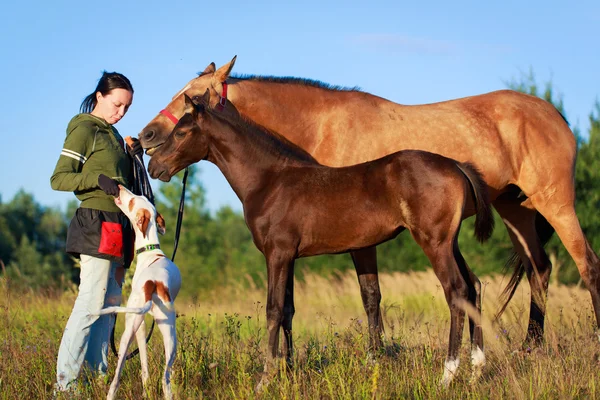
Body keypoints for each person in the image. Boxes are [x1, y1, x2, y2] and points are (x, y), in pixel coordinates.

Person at [50, 71, 143, 393]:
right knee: (90, 303)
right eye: (116, 104)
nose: (120, 112)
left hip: (120, 224)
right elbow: (59, 178)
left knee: (110, 306)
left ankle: (96, 379)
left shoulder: (113, 134)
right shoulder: (84, 127)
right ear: (100, 96)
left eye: (126, 108)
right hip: (95, 221)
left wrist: (132, 154)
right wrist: (97, 180)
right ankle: (65, 384)